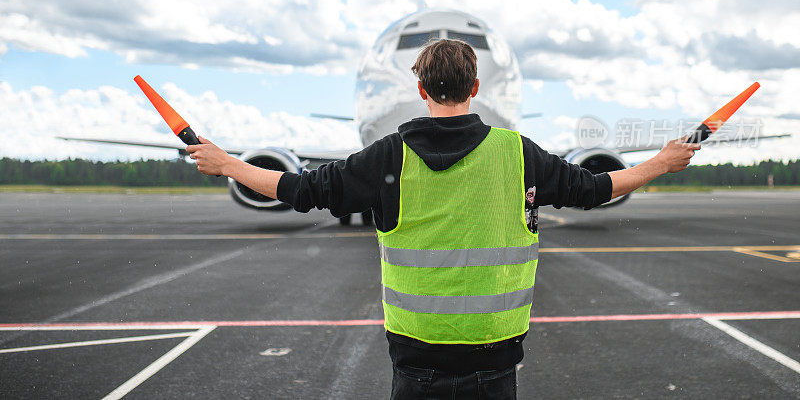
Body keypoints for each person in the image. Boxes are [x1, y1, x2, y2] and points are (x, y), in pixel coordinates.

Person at [187, 38, 700, 399]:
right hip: (494, 352)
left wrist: (227, 163)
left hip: (417, 352)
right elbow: (596, 189)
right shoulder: (517, 153)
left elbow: (298, 190)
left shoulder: (388, 155)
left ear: (422, 89)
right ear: (475, 87)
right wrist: (661, 163)